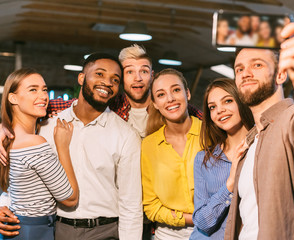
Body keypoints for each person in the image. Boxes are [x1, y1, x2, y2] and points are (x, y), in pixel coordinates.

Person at [0, 53, 143, 240]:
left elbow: (130, 205)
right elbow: (20, 178)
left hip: (105, 231)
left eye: (115, 80)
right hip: (57, 230)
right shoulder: (46, 125)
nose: (107, 82)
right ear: (82, 78)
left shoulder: (126, 135)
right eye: (100, 74)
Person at [224, 22, 294, 240]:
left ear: (280, 75)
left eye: (257, 65)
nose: (245, 73)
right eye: (239, 69)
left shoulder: (292, 120)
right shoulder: (252, 139)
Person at [44, 44, 202, 140]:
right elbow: (75, 105)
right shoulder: (112, 106)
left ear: (152, 76)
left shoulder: (168, 106)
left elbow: (208, 120)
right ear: (121, 78)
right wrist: (45, 110)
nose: (138, 78)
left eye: (144, 71)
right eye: (130, 72)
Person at [0, 68, 79, 240]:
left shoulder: (7, 139)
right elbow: (70, 198)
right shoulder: (34, 143)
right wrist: (62, 146)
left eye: (44, 89)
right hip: (34, 231)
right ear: (12, 98)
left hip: (18, 228)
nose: (43, 96)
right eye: (33, 89)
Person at [141, 68, 202, 240]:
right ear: (155, 104)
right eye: (161, 95)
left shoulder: (211, 135)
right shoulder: (149, 145)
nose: (170, 99)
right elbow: (151, 206)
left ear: (187, 94)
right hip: (167, 235)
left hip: (214, 232)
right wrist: (190, 219)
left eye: (176, 90)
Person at [190, 78, 254, 239]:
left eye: (228, 101)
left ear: (241, 101)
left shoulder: (261, 149)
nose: (220, 110)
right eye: (213, 107)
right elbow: (202, 222)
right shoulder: (204, 159)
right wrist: (229, 185)